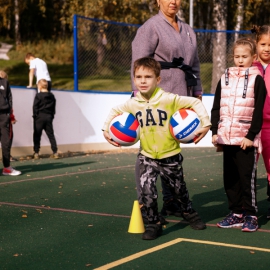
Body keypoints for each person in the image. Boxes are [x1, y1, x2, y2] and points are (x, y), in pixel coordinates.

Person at [103, 57, 211, 240]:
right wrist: (106, 130)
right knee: (147, 193)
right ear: (134, 79)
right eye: (138, 77)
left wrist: (206, 124)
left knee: (179, 190)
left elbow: (196, 103)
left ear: (158, 79)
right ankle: (154, 223)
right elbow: (114, 111)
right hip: (147, 156)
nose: (143, 81)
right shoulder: (132, 103)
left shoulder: (168, 99)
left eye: (148, 77)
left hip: (171, 155)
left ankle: (189, 213)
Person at [131, 0, 204, 220]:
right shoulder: (150, 27)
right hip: (155, 98)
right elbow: (138, 63)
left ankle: (172, 200)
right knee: (150, 149)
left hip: (181, 95)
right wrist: (139, 94)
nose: (173, 1)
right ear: (158, 1)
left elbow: (195, 64)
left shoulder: (188, 30)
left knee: (171, 148)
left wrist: (197, 92)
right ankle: (147, 203)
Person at [211, 38, 267, 232]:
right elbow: (217, 105)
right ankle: (236, 213)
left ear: (253, 57)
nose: (240, 60)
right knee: (230, 178)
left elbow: (258, 110)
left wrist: (250, 136)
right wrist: (214, 131)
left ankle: (251, 215)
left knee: (246, 178)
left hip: (245, 140)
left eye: (244, 56)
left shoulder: (257, 79)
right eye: (237, 56)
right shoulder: (225, 76)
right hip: (227, 138)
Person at [251, 25, 270, 219]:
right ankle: (249, 209)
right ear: (256, 44)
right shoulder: (249, 68)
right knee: (249, 169)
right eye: (263, 44)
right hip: (251, 128)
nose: (267, 48)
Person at [0, 74, 21, 176]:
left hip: (4, 116)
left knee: (6, 142)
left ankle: (7, 168)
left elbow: (9, 98)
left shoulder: (4, 82)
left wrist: (10, 114)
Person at [33, 79, 59, 159]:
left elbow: (35, 107)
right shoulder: (52, 96)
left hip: (39, 117)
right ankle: (55, 152)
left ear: (39, 86)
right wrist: (52, 116)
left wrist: (35, 116)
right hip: (48, 117)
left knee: (37, 135)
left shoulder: (38, 95)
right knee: (51, 135)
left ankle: (36, 152)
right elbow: (53, 107)